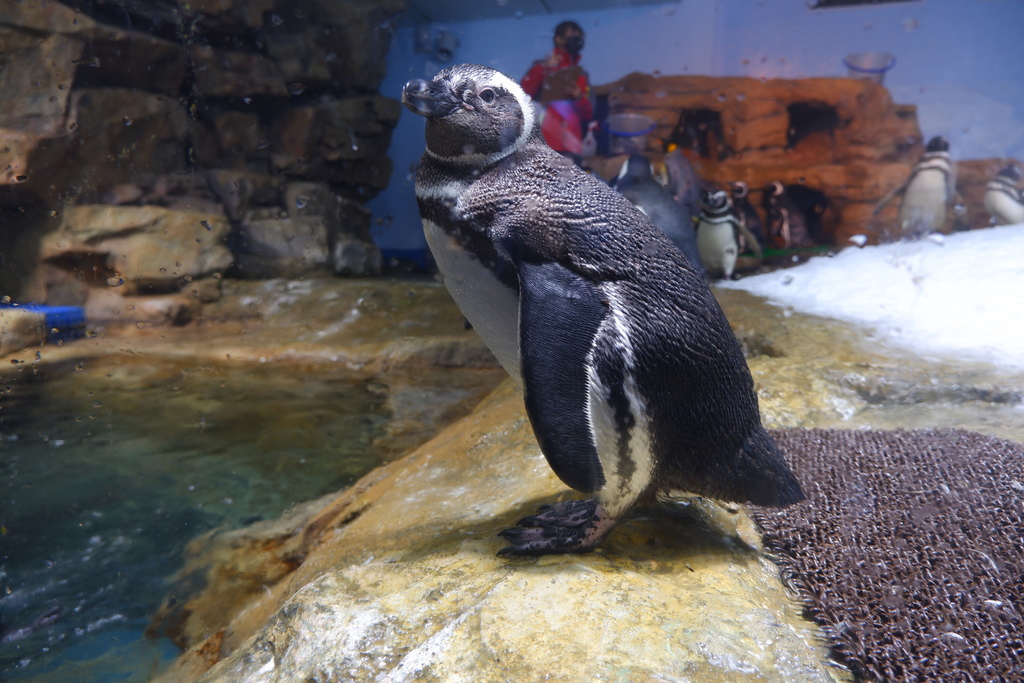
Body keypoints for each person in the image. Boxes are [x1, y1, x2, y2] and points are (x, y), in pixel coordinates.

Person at [521, 21, 593, 157]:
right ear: (558, 39)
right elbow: (524, 93)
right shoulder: (541, 68)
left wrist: (579, 97)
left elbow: (588, 115)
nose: (577, 39)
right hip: (544, 142)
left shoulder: (582, 76)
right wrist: (543, 68)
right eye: (572, 34)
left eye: (579, 36)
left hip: (572, 145)